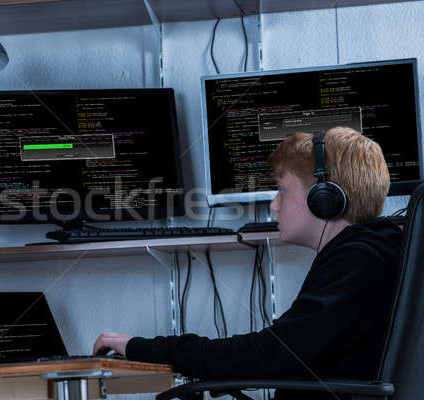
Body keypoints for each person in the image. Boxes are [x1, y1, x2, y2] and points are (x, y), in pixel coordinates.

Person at [93, 127, 403, 400]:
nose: (273, 204)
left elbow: (268, 354)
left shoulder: (359, 261)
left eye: (282, 190)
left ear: (324, 198)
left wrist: (140, 348)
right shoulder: (369, 254)